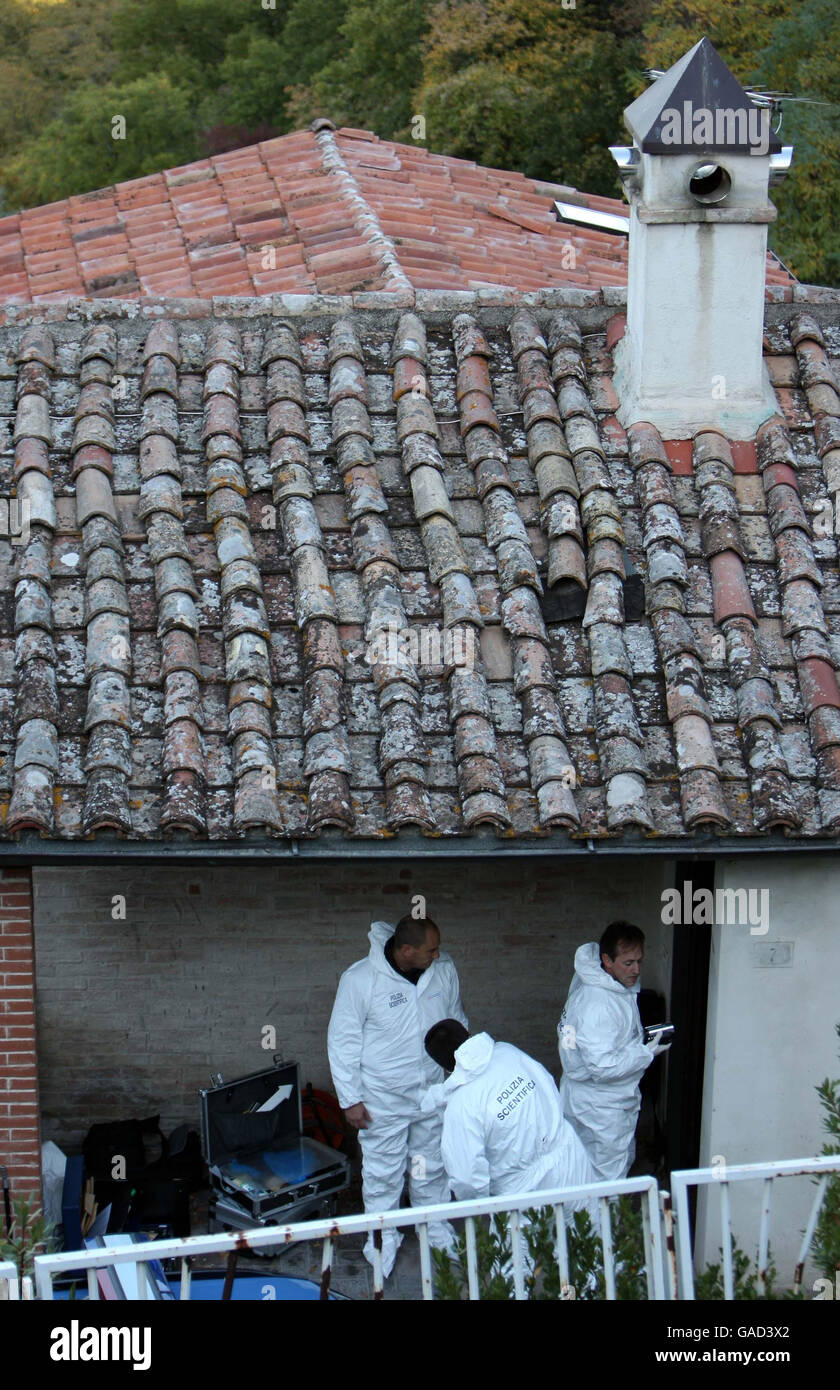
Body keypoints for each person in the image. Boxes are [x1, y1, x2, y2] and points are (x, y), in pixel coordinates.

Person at [327, 913, 467, 1276]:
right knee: (382, 1170)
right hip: (382, 1098)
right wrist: (350, 1099)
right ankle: (382, 1235)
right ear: (406, 950)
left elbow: (455, 1019)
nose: (438, 955)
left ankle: (433, 1224)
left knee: (430, 1163)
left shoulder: (443, 970)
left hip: (431, 1091)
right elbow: (343, 1040)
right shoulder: (361, 979)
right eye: (430, 950)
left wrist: (459, 1072)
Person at [422, 1020, 596, 1216]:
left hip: (523, 1195)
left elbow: (466, 1178)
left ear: (445, 1068)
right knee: (591, 1237)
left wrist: (482, 1206)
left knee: (531, 1247)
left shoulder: (460, 1107)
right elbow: (547, 1082)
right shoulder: (508, 1052)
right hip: (571, 1161)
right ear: (469, 1035)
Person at [557, 922, 671, 1182]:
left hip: (594, 1101)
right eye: (628, 963)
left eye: (639, 961)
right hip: (600, 1107)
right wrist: (646, 1052)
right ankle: (598, 1224)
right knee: (605, 1179)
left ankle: (590, 1222)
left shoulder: (607, 986)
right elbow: (603, 1067)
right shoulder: (598, 1004)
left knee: (592, 1172)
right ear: (607, 960)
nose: (636, 970)